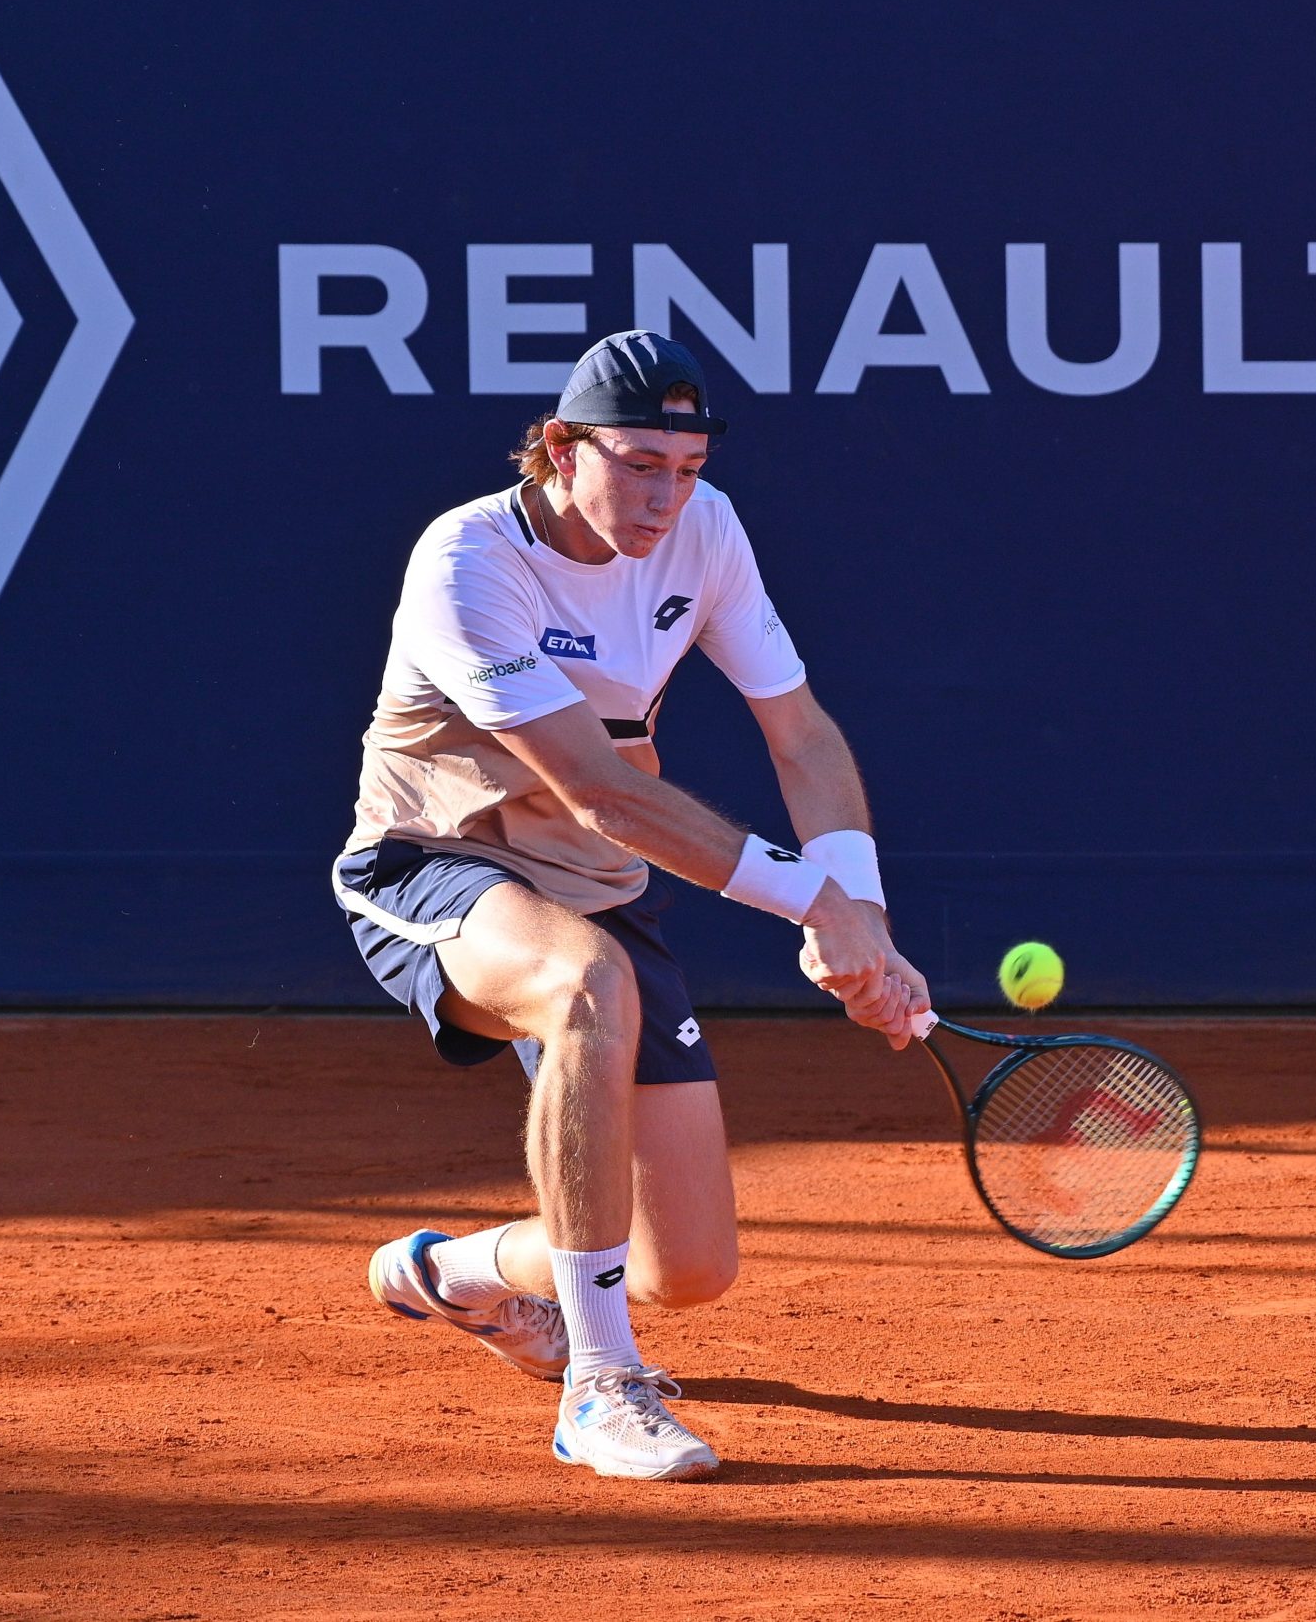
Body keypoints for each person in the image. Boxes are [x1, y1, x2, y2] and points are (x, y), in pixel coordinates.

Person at [332, 330, 932, 1481]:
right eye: (639, 464)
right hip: (437, 863)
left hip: (596, 890)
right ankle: (601, 1386)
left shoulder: (704, 532)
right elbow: (602, 793)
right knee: (587, 988)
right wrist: (812, 905)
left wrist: (862, 915)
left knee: (686, 1268)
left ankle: (456, 1275)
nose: (666, 496)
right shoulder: (467, 561)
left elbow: (798, 733)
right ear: (561, 449)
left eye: (688, 467)